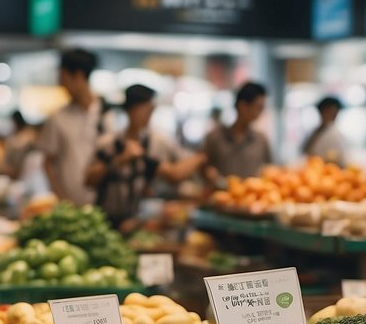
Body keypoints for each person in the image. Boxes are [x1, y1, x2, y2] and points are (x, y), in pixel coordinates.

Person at [86, 84, 205, 227]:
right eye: (147, 108)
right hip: (106, 220)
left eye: (152, 109)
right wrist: (120, 160)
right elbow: (89, 179)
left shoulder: (157, 141)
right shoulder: (109, 143)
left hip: (140, 223)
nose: (150, 114)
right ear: (131, 109)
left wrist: (200, 158)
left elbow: (176, 172)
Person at [38, 48, 103, 206]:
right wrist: (61, 198)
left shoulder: (107, 114)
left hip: (103, 205)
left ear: (79, 76)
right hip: (69, 206)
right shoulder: (57, 118)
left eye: (63, 77)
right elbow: (48, 163)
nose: (60, 84)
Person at [202, 82, 274, 183]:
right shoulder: (215, 137)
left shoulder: (261, 140)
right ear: (243, 106)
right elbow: (202, 166)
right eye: (258, 107)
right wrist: (208, 173)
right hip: (220, 196)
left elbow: (271, 170)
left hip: (251, 196)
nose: (260, 113)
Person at [302, 96, 346, 164]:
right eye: (327, 111)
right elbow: (305, 150)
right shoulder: (315, 131)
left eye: (333, 112)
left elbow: (340, 158)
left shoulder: (335, 134)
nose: (330, 115)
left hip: (327, 169)